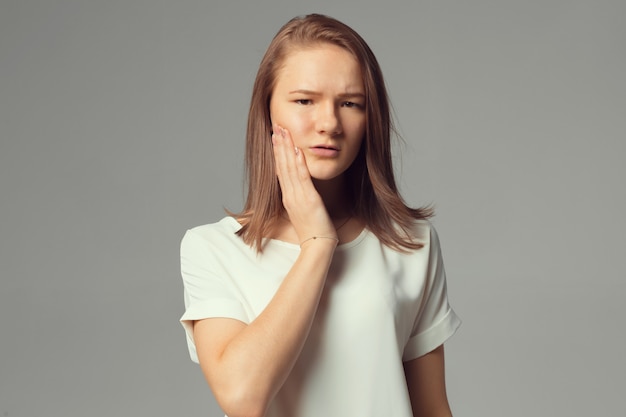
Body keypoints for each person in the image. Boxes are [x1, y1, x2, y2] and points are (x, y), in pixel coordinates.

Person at [179, 14, 461, 417]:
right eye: (304, 101)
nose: (329, 123)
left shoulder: (412, 242)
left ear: (370, 120)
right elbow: (242, 397)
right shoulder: (213, 249)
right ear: (267, 111)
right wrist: (318, 244)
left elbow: (433, 409)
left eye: (350, 103)